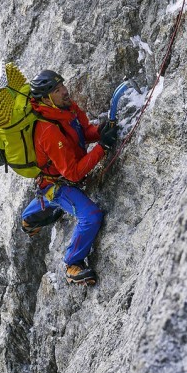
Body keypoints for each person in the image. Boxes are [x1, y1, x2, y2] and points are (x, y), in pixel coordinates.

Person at [21, 70, 117, 285]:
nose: (65, 90)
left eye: (62, 85)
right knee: (91, 216)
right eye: (57, 90)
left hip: (59, 178)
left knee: (57, 200)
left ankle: (29, 217)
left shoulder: (67, 108)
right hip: (58, 183)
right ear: (46, 99)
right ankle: (73, 264)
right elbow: (72, 172)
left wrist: (101, 132)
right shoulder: (47, 131)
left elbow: (84, 132)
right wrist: (102, 147)